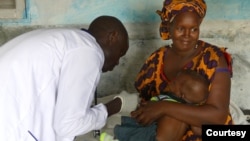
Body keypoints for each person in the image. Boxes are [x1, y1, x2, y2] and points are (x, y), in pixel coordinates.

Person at [0, 15, 129, 141]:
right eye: (121, 53)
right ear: (112, 37)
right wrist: (116, 106)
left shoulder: (69, 40)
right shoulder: (89, 51)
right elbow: (68, 125)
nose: (118, 62)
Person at [130, 0, 233, 141]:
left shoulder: (212, 58)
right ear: (169, 27)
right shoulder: (157, 59)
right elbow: (146, 102)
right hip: (165, 131)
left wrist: (165, 107)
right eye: (180, 28)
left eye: (193, 29)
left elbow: (218, 117)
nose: (187, 35)